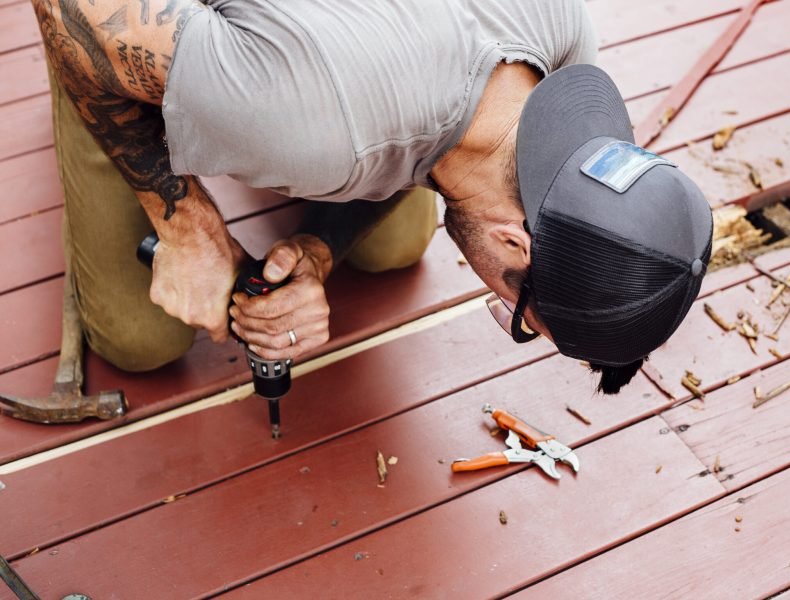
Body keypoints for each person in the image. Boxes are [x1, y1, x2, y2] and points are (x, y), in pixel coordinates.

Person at [33, 0, 712, 394]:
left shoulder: (564, 58)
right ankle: (132, 78)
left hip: (339, 64)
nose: (514, 314)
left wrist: (319, 250)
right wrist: (184, 225)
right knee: (144, 337)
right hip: (113, 22)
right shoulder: (309, 122)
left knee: (389, 242)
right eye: (521, 314)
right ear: (516, 242)